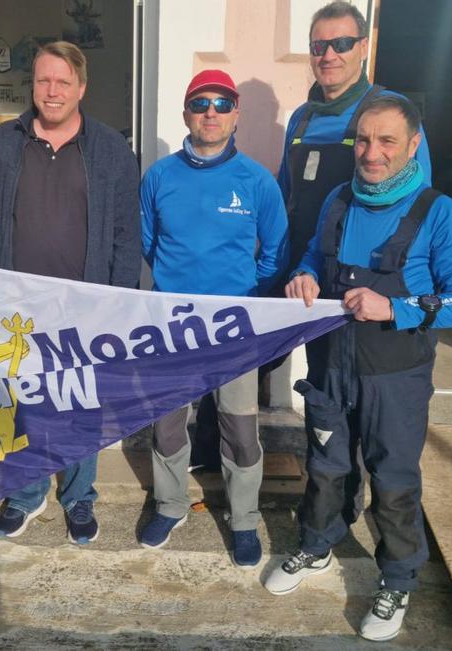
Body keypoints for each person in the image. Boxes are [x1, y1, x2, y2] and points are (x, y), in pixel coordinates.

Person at [264, 94, 452, 642]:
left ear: (413, 145)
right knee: (326, 465)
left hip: (396, 375)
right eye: (363, 140)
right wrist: (305, 275)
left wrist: (398, 307)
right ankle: (317, 546)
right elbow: (315, 255)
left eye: (387, 141)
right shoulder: (339, 200)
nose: (372, 152)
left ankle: (397, 578)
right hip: (331, 365)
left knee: (393, 481)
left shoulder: (441, 215)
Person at [0, 41, 140, 545]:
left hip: (82, 308)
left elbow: (126, 237)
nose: (52, 91)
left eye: (63, 81)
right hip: (15, 307)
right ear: (33, 86)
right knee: (20, 402)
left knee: (78, 405)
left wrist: (117, 304)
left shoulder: (110, 149)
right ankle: (25, 494)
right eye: (44, 80)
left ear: (81, 88)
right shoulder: (5, 143)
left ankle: (79, 496)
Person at [137, 70, 288, 568]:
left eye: (222, 104)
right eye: (200, 102)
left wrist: (246, 298)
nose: (210, 112)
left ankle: (243, 518)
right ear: (185, 113)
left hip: (233, 328)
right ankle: (171, 503)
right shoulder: (159, 176)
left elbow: (275, 254)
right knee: (167, 424)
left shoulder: (256, 181)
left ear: (236, 114)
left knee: (240, 429)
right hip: (173, 323)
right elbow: (148, 244)